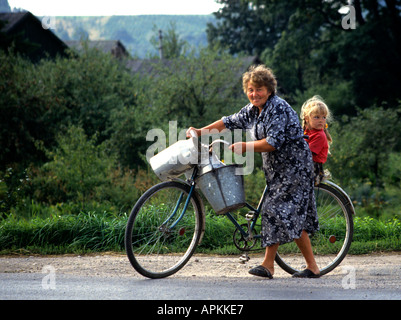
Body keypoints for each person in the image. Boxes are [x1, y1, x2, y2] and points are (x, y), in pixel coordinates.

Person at [186, 65, 320, 279]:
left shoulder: (277, 107)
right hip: (276, 168)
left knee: (274, 209)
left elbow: (274, 142)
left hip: (294, 166)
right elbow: (228, 121)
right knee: (289, 215)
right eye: (250, 90)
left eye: (258, 89)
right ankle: (312, 267)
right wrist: (200, 132)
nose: (254, 94)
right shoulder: (252, 109)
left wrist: (245, 146)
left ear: (269, 89)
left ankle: (268, 265)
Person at [301, 96, 333, 186]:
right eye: (316, 117)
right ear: (307, 118)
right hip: (306, 164)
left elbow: (307, 152)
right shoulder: (308, 131)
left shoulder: (319, 135)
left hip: (312, 169)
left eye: (323, 117)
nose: (321, 121)